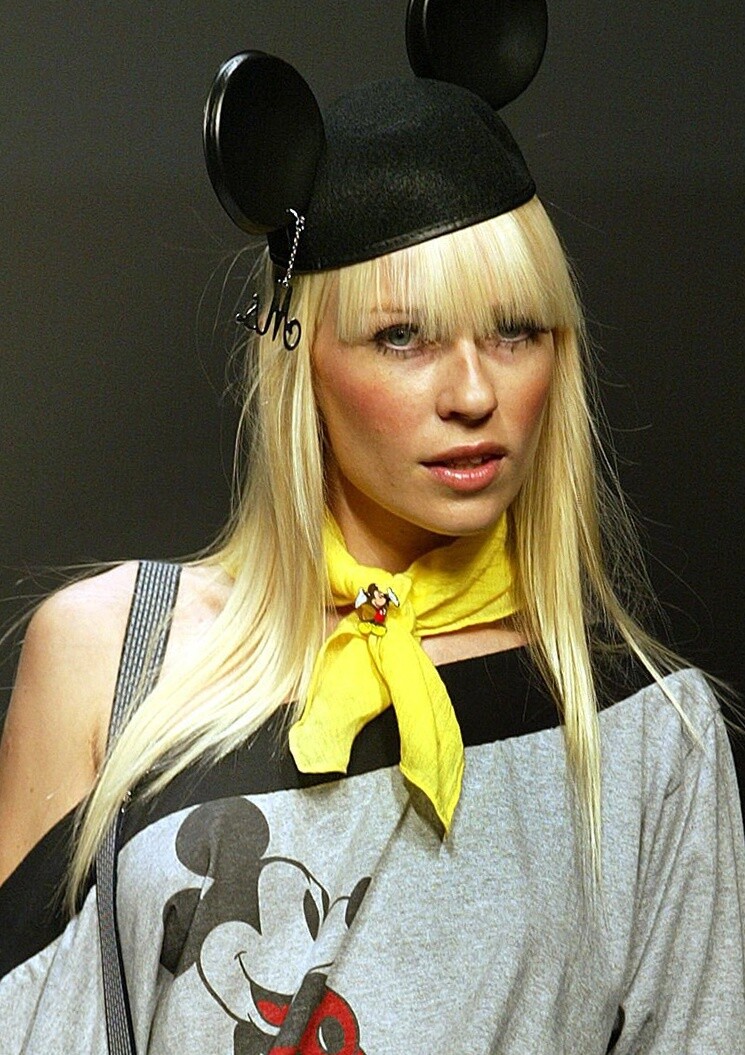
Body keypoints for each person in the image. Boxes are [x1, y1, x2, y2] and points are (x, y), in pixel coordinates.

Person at [1, 4, 744, 1053]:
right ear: (302, 363)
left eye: (515, 329)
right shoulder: (115, 654)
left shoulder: (649, 734)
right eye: (402, 336)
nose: (474, 393)